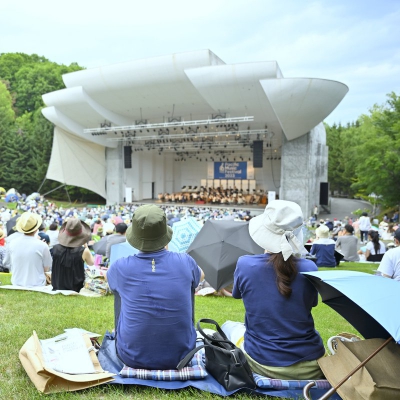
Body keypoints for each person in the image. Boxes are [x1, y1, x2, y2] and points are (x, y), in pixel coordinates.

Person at [221, 200, 325, 380]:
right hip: (312, 364)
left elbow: (237, 295)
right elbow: (310, 303)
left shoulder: (245, 264)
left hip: (262, 362)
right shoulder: (310, 267)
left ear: (264, 232)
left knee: (228, 326)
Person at [107, 204, 204, 370]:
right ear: (165, 235)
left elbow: (108, 280)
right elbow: (200, 275)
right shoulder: (185, 261)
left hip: (131, 357)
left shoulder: (120, 267)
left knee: (119, 291)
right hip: (182, 355)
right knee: (189, 283)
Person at [4, 212, 52, 287]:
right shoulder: (42, 245)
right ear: (36, 229)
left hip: (17, 281)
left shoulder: (11, 243)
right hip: (38, 283)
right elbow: (47, 268)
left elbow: (6, 263)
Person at [51, 218, 94, 292]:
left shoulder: (55, 248)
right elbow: (91, 263)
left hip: (57, 285)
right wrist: (86, 247)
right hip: (76, 287)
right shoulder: (84, 251)